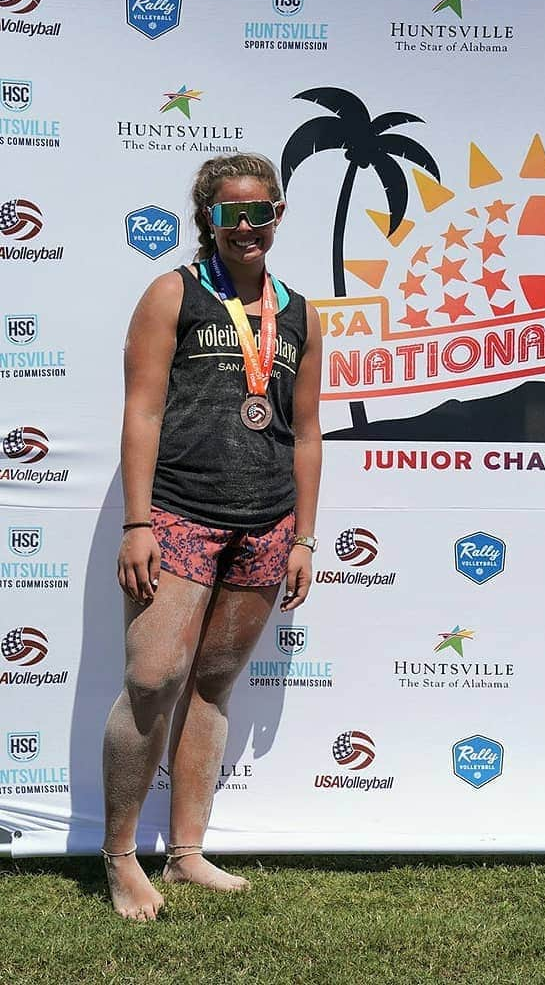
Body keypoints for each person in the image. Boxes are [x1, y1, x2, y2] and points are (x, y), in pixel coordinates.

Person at [102, 154, 322, 920]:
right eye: (231, 215)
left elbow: (307, 432)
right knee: (154, 676)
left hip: (266, 521)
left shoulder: (299, 311)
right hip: (179, 513)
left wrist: (304, 537)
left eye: (260, 212)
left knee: (214, 681)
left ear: (278, 215)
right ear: (209, 220)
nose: (247, 227)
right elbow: (143, 412)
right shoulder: (175, 292)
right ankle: (122, 856)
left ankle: (187, 852)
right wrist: (137, 524)